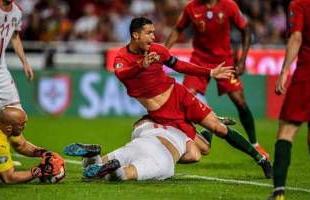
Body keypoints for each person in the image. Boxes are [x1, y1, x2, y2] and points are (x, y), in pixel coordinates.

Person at [112, 17, 272, 178]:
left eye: (153, 32)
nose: (153, 37)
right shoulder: (122, 58)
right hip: (164, 115)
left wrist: (209, 72)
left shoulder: (157, 51)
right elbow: (122, 74)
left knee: (218, 128)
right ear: (135, 35)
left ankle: (261, 159)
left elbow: (180, 65)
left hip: (180, 96)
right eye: (148, 33)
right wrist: (141, 65)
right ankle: (202, 131)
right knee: (201, 151)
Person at [165, 0, 269, 159]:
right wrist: (163, 53)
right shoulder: (191, 7)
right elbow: (177, 29)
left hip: (224, 60)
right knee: (186, 97)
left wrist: (242, 60)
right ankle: (191, 139)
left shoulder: (229, 5)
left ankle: (255, 145)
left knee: (240, 101)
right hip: (199, 60)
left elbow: (245, 29)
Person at [268, 0, 310, 199]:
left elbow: (296, 38)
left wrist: (284, 71)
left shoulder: (299, 4)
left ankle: (279, 192)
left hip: (308, 74)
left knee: (286, 130)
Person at [64, 118, 201, 181]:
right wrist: (176, 156)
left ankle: (92, 157)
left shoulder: (149, 124)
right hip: (162, 157)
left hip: (140, 142)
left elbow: (137, 125)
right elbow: (195, 156)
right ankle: (115, 170)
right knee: (125, 173)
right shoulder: (183, 135)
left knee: (95, 167)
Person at [0, 106, 64, 184]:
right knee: (0, 172)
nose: (25, 126)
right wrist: (39, 171)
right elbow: (9, 179)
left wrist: (45, 153)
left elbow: (21, 145)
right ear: (9, 128)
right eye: (22, 125)